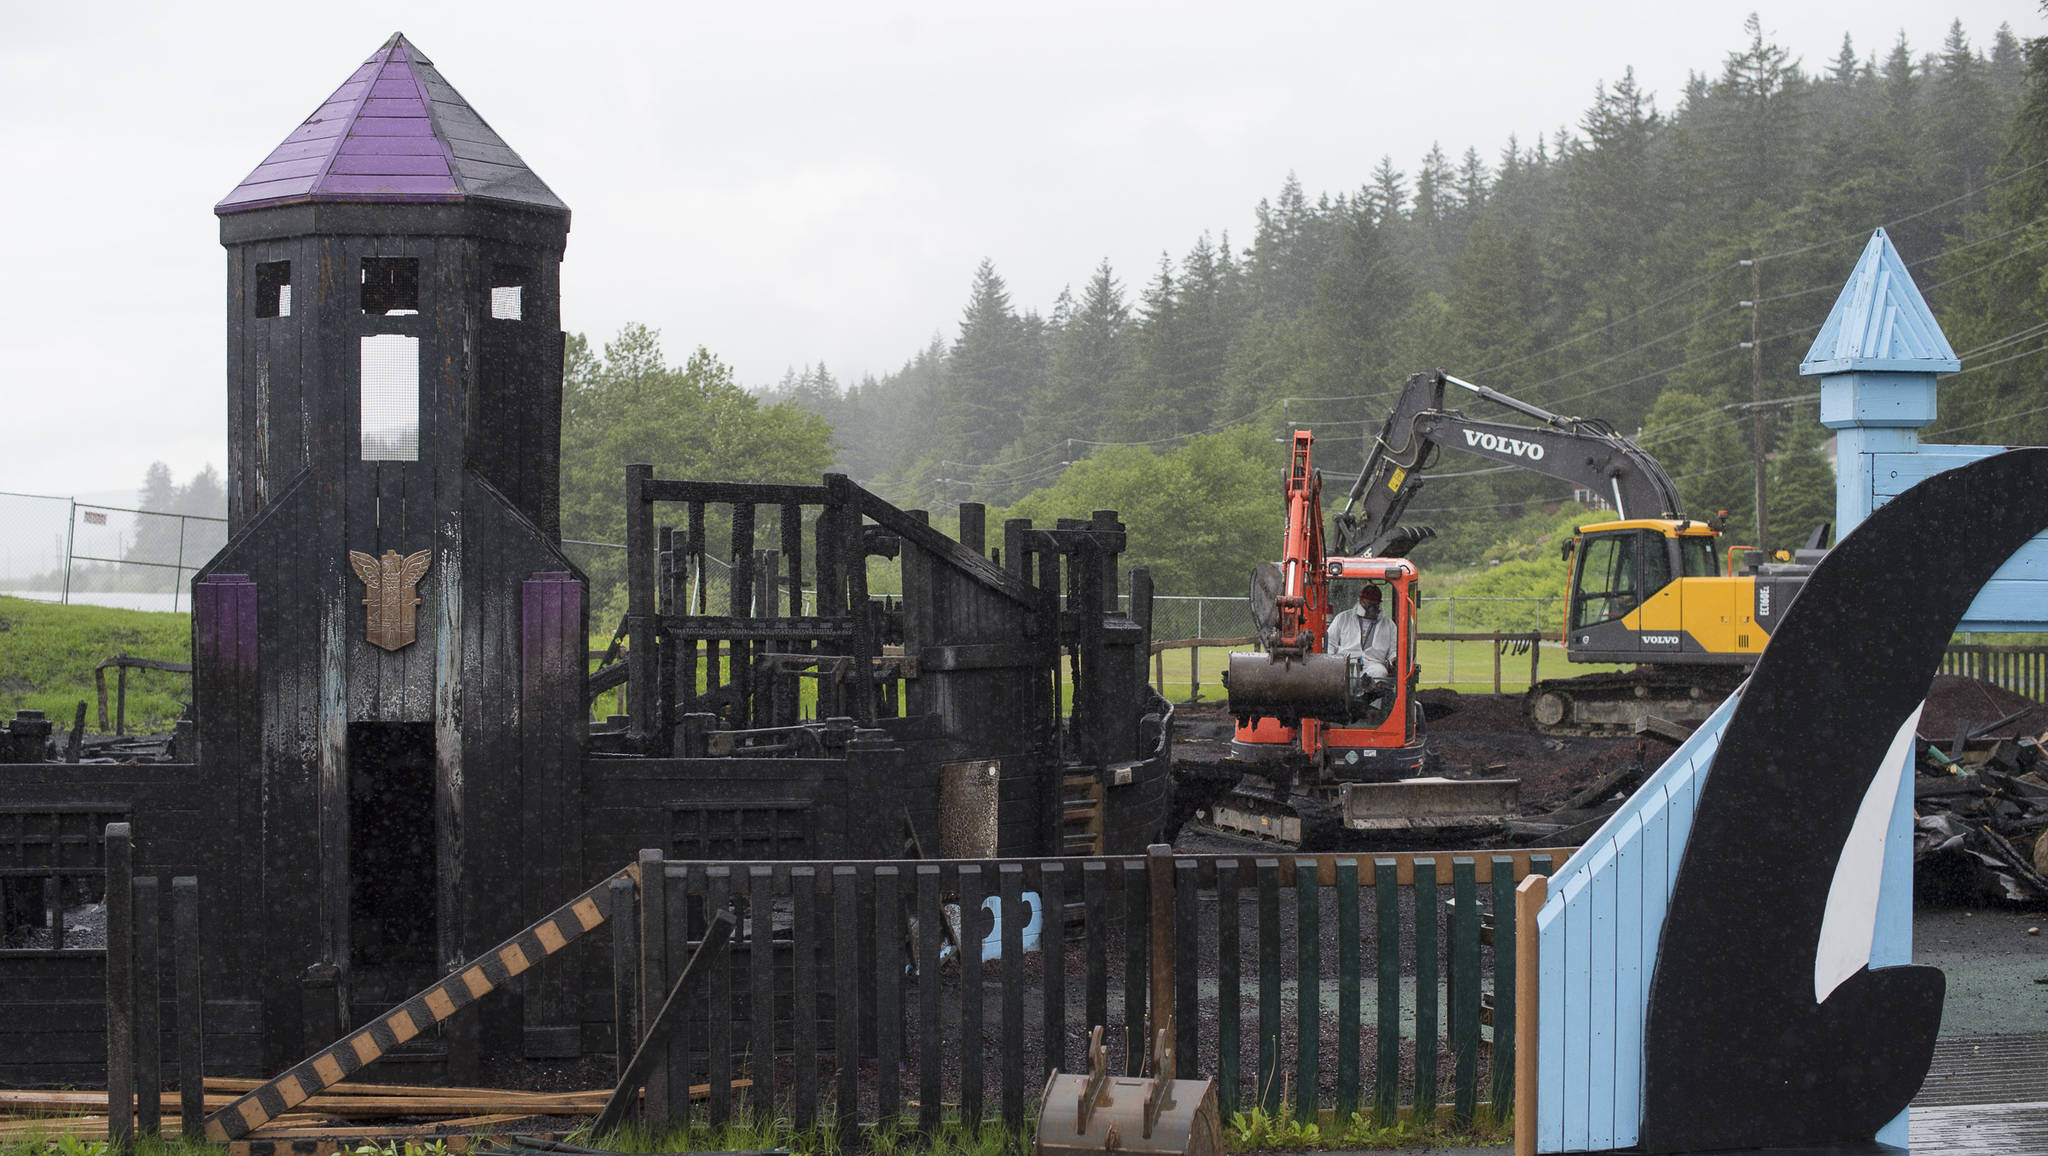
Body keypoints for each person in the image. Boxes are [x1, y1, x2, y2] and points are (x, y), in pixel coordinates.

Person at [1325, 583, 1396, 681]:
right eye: (1369, 603)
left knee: (1380, 672)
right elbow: (1329, 642)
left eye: (1375, 603)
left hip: (1373, 664)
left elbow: (1394, 650)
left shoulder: (1388, 624)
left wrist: (1393, 660)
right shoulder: (1343, 618)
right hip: (1345, 663)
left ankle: (1370, 695)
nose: (1372, 606)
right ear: (1361, 600)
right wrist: (1330, 663)